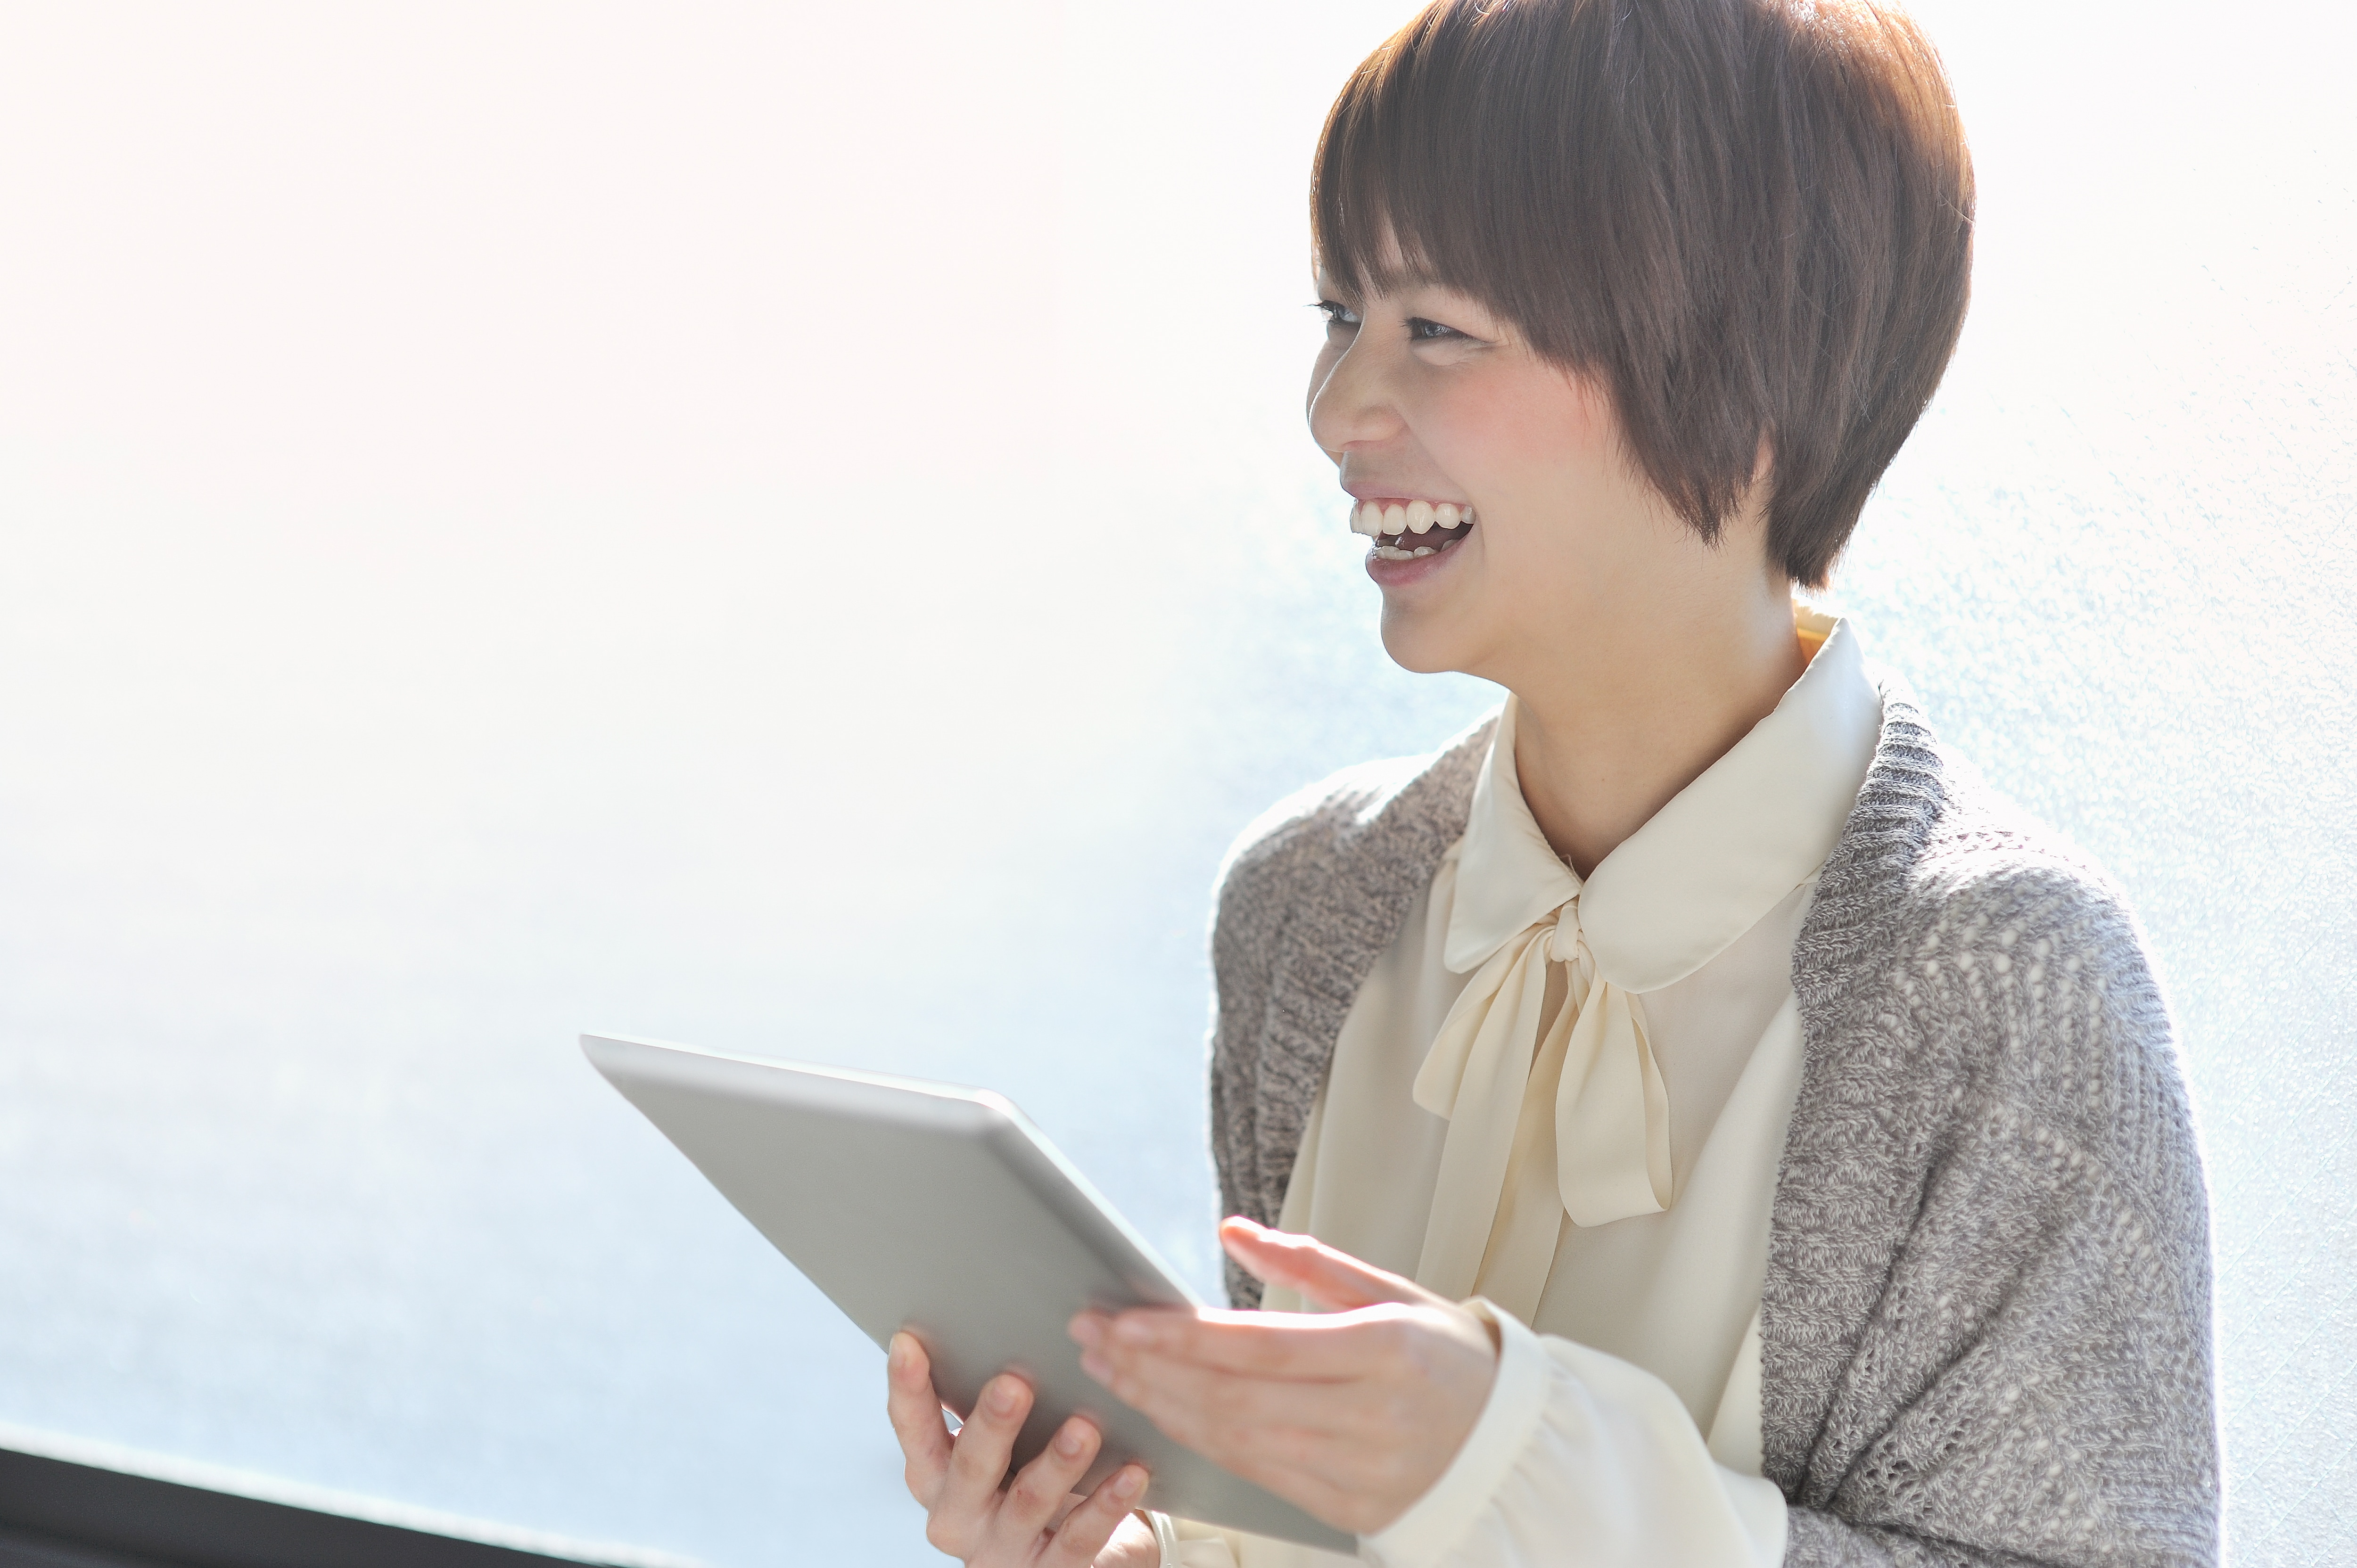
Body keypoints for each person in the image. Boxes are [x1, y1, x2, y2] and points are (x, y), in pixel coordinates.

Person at [884, 0, 2221, 1563]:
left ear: (1745, 373)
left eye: (1435, 328)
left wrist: (1517, 1459)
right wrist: (1119, 1552)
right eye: (1338, 316)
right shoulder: (1307, 910)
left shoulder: (2009, 988)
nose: (1336, 412)